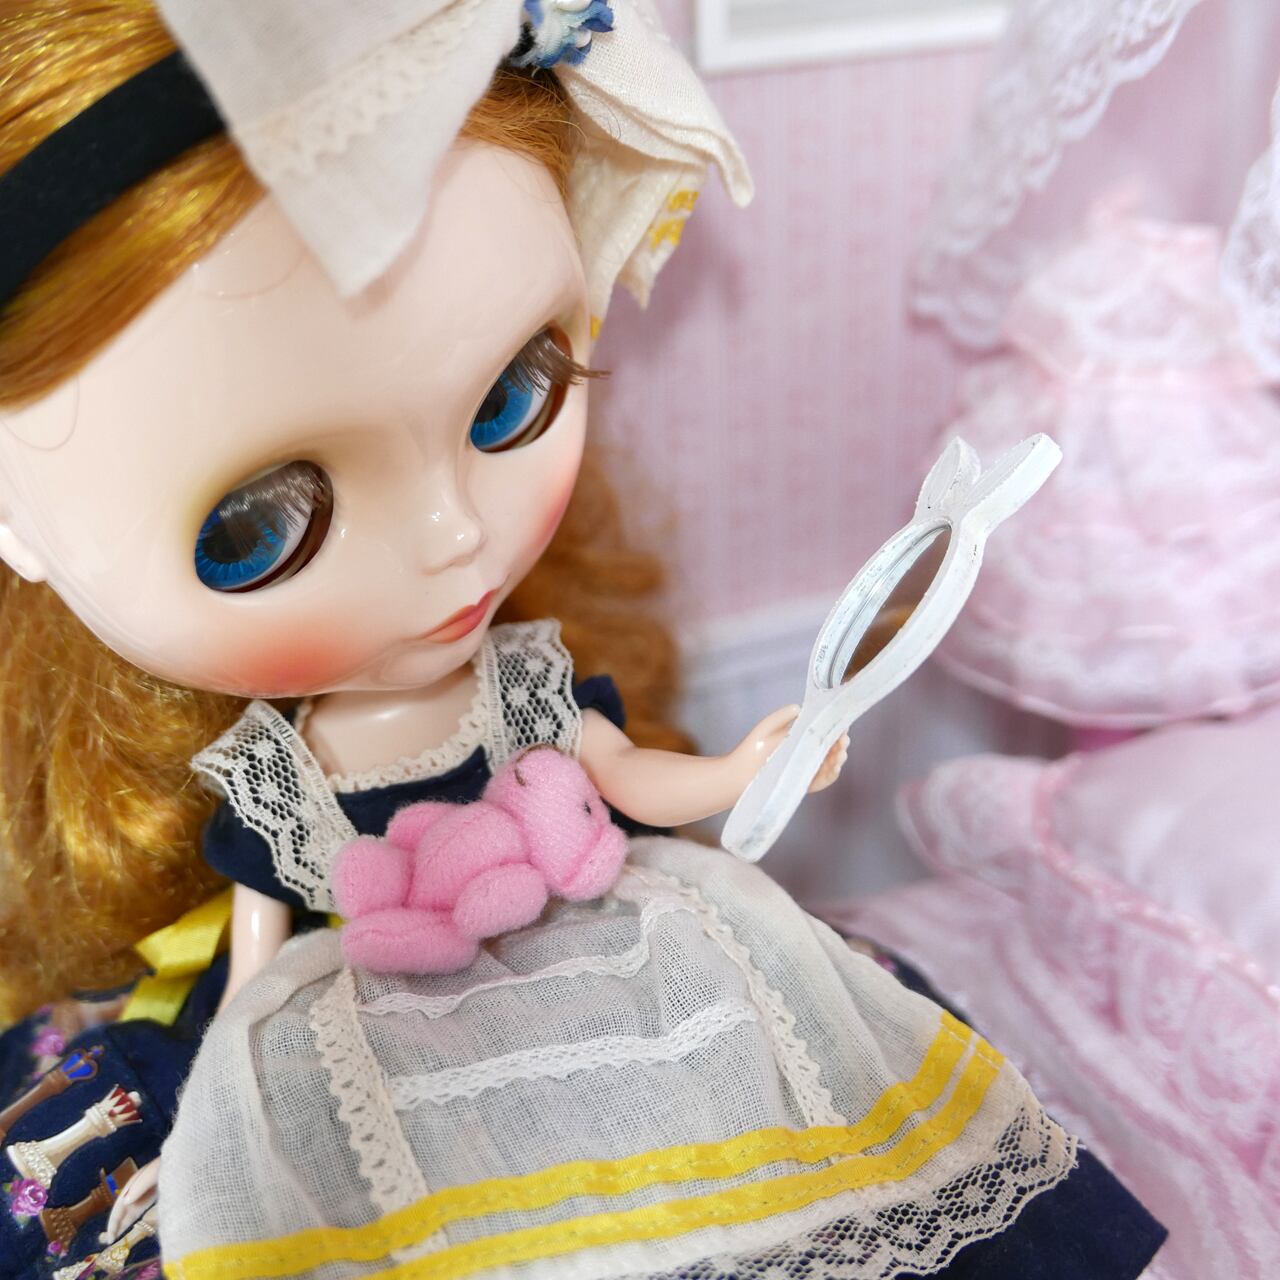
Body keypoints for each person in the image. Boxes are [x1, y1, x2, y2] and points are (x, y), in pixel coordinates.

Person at [0, 2, 1165, 1276]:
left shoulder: (520, 684)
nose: (453, 534)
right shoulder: (290, 775)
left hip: (609, 939)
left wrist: (738, 769)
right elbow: (261, 928)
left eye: (512, 397)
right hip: (372, 1012)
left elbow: (618, 773)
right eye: (260, 526)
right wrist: (236, 1056)